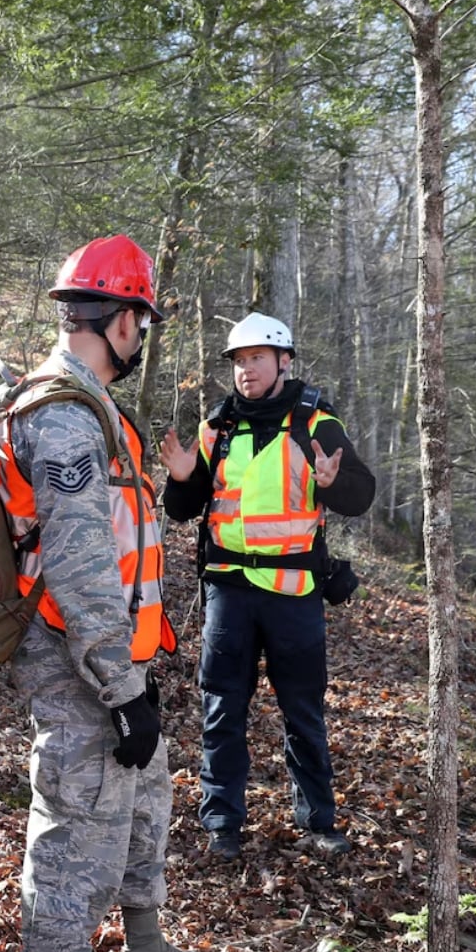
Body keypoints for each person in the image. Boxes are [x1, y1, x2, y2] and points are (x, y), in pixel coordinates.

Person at [0, 235, 225, 952]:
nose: (142, 337)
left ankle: (146, 949)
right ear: (121, 319)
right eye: (141, 322)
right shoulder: (61, 415)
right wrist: (120, 690)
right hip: (79, 662)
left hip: (120, 657)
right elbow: (83, 566)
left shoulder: (96, 409)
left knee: (144, 798)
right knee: (74, 832)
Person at [160, 312, 376, 860]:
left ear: (283, 361)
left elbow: (360, 494)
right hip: (229, 589)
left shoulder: (316, 423)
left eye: (256, 358)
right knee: (221, 708)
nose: (245, 370)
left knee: (303, 709)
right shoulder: (219, 427)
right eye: (238, 361)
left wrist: (336, 480)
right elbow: (185, 510)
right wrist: (182, 478)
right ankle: (222, 824)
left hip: (294, 591)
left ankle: (319, 822)